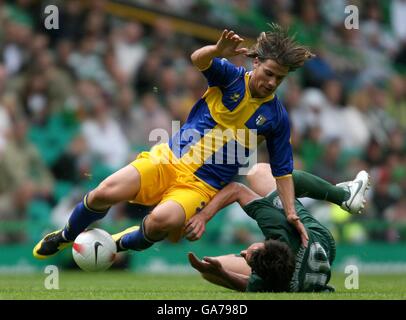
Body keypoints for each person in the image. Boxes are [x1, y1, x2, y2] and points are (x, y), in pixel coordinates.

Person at [33, 24, 314, 259]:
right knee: (103, 192)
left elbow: (282, 170)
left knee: (160, 223)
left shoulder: (277, 118)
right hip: (168, 158)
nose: (271, 82)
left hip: (201, 185)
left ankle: (114, 244)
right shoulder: (231, 77)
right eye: (269, 73)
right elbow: (198, 59)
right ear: (256, 63)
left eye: (279, 78)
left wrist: (291, 212)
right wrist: (216, 51)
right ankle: (65, 236)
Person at [186, 163, 370, 292]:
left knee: (208, 271)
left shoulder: (276, 280)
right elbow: (236, 189)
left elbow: (251, 285)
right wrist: (203, 216)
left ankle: (345, 194)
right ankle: (344, 196)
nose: (242, 252)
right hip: (319, 239)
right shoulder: (279, 227)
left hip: (317, 265)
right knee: (259, 173)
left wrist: (221, 273)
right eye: (247, 254)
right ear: (264, 245)